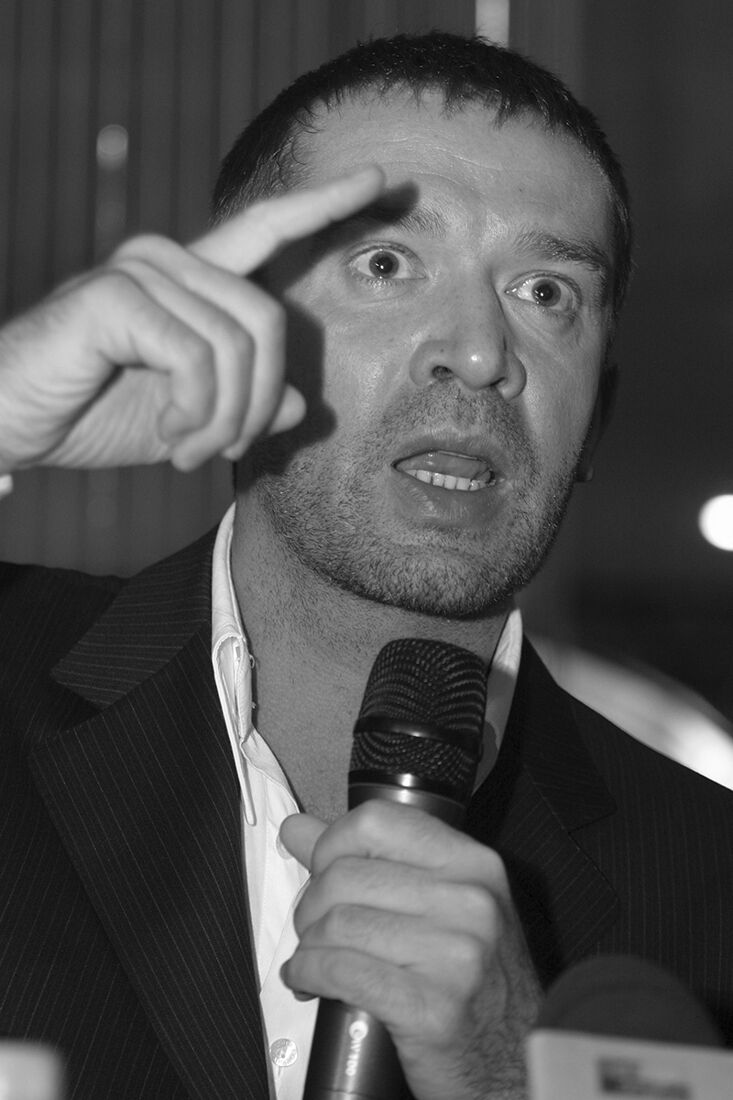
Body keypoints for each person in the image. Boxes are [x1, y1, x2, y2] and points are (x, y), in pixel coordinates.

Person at [0, 31, 731, 1100]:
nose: (478, 352)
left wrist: (510, 1077)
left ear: (597, 417)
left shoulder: (708, 885)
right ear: (235, 321)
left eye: (545, 292)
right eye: (386, 265)